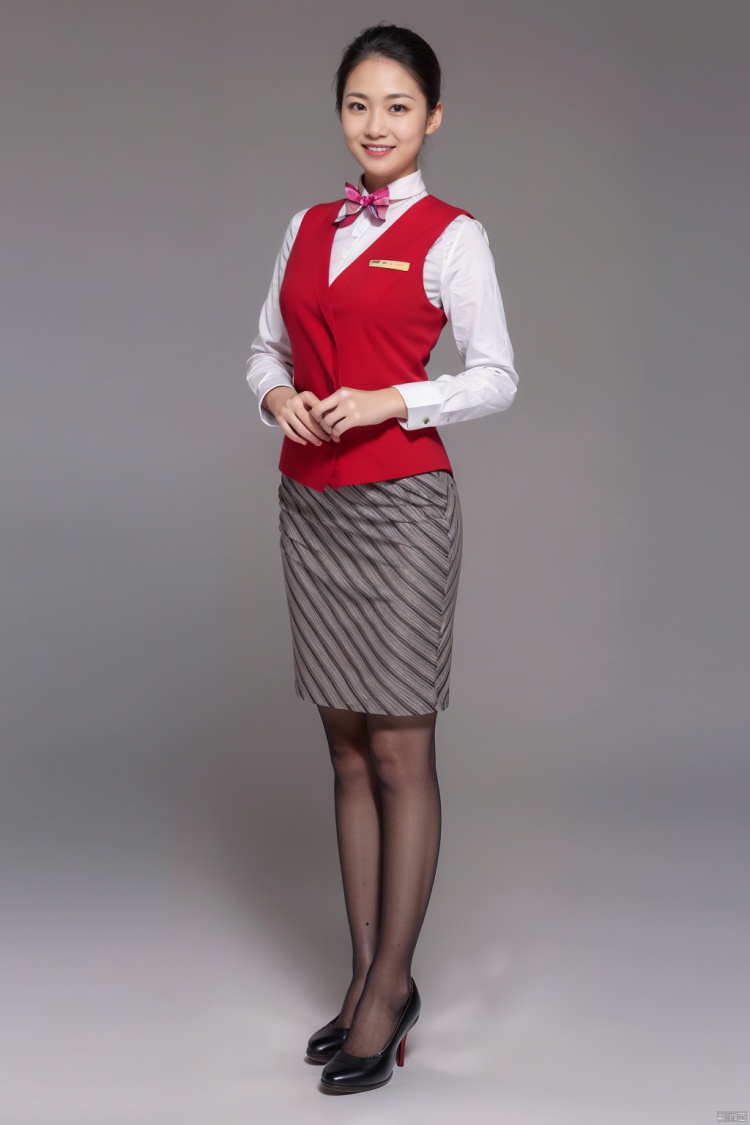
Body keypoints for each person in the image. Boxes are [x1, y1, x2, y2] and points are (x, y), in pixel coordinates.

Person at [246, 22, 519, 1094]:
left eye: (398, 106)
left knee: (401, 751)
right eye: (359, 104)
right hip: (310, 506)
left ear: (432, 118)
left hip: (404, 509)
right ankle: (363, 977)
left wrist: (390, 399)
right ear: (340, 113)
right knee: (347, 752)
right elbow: (264, 347)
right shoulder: (305, 225)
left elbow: (495, 375)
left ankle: (393, 985)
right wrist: (276, 394)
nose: (376, 124)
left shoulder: (455, 235)